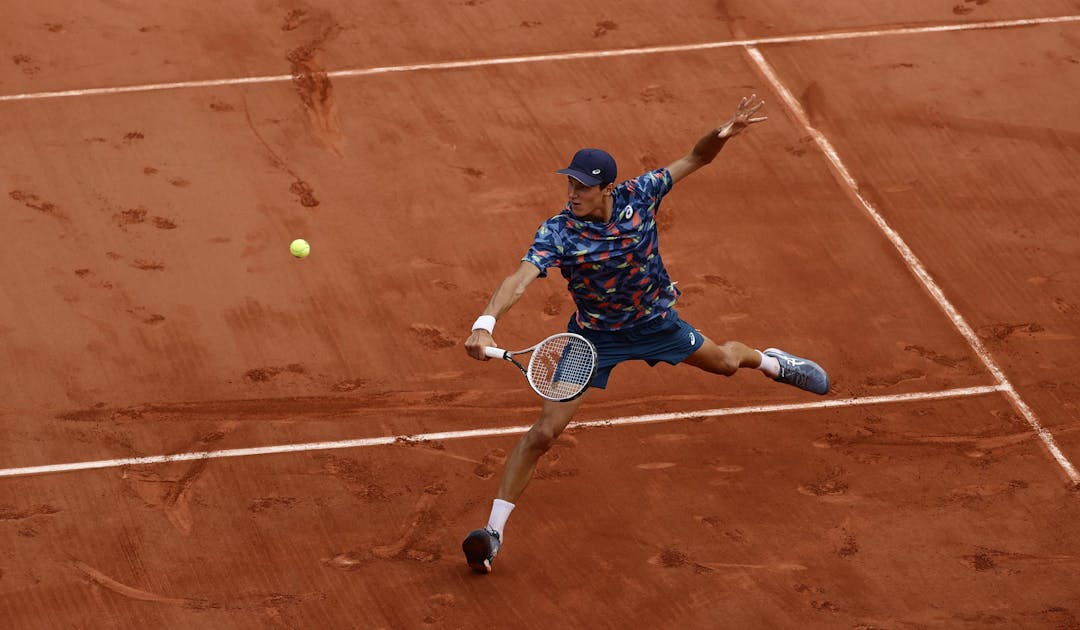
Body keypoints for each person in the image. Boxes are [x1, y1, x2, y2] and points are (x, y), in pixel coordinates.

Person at [460, 94, 829, 574]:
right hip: (594, 340)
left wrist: (721, 134)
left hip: (657, 323)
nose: (572, 193)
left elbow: (695, 158)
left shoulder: (642, 193)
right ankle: (492, 533)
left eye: (581, 187)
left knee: (726, 364)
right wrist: (485, 323)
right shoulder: (558, 232)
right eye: (569, 183)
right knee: (544, 433)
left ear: (605, 188)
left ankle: (776, 362)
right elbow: (519, 279)